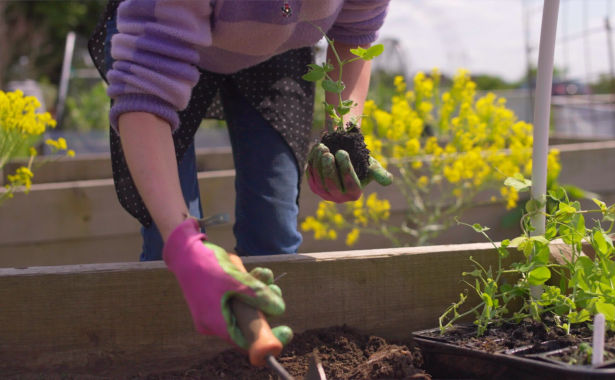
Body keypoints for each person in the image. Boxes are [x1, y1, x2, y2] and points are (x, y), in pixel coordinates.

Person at [88, 0, 393, 356]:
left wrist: (343, 136)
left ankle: (258, 353)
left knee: (274, 236)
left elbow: (354, 33)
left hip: (277, 50)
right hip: (165, 39)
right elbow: (145, 91)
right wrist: (185, 248)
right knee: (166, 247)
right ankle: (174, 357)